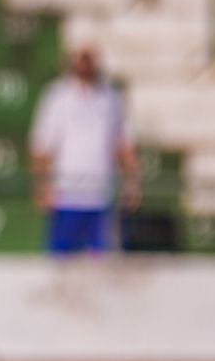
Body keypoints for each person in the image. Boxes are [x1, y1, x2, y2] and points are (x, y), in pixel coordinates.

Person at [29, 46, 141, 257]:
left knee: (101, 263)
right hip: (66, 194)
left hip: (101, 195)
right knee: (59, 262)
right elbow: (42, 146)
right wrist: (42, 186)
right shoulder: (57, 96)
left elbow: (124, 145)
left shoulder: (111, 98)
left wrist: (132, 183)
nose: (85, 62)